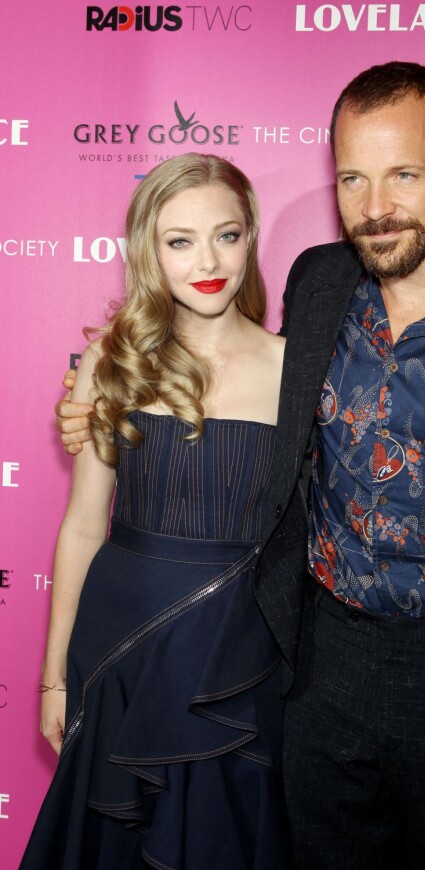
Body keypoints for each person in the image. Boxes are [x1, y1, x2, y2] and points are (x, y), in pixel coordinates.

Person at [56, 62, 425, 869]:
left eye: (403, 174)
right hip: (322, 673)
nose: (376, 207)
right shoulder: (322, 282)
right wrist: (94, 400)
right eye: (352, 178)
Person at [22, 153, 287, 870]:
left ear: (250, 238)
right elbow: (83, 526)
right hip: (122, 656)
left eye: (226, 235)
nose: (208, 260)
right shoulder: (113, 362)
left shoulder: (297, 368)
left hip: (238, 664)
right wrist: (53, 675)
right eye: (180, 241)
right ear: (149, 252)